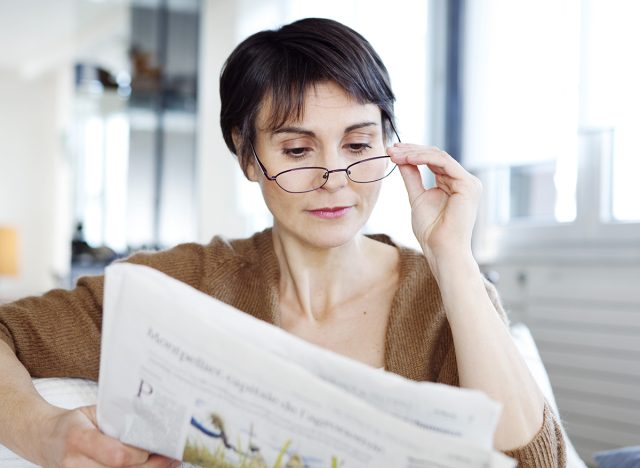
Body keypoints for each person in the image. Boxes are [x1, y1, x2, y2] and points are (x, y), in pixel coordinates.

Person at [0, 17, 565, 468]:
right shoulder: (185, 284)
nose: (335, 177)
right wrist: (42, 432)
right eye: (297, 151)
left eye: (359, 144)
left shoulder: (445, 296)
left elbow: (535, 465)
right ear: (248, 154)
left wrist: (453, 258)